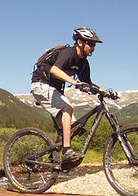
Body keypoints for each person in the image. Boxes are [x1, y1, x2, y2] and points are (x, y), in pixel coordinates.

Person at [30, 27, 102, 165]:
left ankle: (52, 160)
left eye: (94, 45)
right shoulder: (69, 53)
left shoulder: (83, 62)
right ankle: (66, 150)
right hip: (41, 84)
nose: (93, 48)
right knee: (68, 109)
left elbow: (88, 83)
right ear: (80, 42)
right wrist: (75, 83)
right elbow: (54, 70)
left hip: (53, 89)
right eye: (91, 44)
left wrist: (105, 91)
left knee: (70, 127)